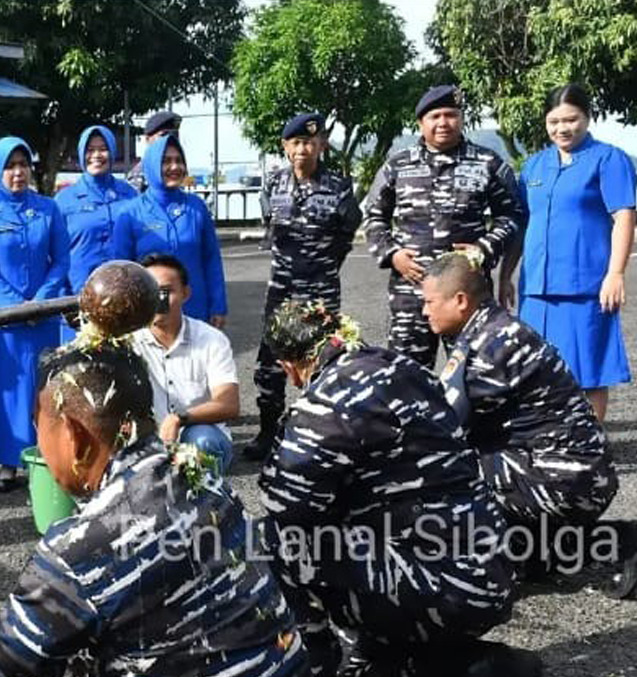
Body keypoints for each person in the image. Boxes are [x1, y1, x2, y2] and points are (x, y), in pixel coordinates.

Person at [0, 340, 330, 677]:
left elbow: (5, 670)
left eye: (38, 426)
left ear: (73, 435)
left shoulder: (84, 545)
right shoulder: (205, 483)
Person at [258, 300, 539, 677]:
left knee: (273, 544)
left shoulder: (326, 403)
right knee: (370, 675)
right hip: (489, 568)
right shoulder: (403, 367)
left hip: (435, 580)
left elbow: (286, 507)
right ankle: (489, 669)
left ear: (291, 366)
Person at [422, 252, 618, 575]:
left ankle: (482, 571)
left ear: (460, 300)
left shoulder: (490, 347)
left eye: (430, 302)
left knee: (443, 468)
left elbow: (442, 430)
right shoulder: (488, 327)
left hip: (568, 480)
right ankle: (540, 551)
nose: (424, 311)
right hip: (567, 471)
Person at [502, 83, 636, 421]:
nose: (562, 128)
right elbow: (521, 225)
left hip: (586, 288)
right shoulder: (533, 167)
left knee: (588, 373)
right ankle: (549, 443)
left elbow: (624, 216)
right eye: (554, 121)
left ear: (588, 118)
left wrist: (615, 273)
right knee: (535, 371)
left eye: (571, 119)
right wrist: (506, 275)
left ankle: (588, 446)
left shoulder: (609, 159)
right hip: (536, 290)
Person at [364, 85, 522, 370]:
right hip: (412, 292)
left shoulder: (487, 162)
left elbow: (511, 215)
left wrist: (483, 249)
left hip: (467, 289)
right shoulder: (397, 166)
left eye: (451, 115)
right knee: (407, 375)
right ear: (420, 123)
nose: (443, 123)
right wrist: (392, 254)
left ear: (461, 119)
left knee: (476, 372)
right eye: (435, 116)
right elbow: (373, 217)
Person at [243, 112, 362, 461]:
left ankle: (320, 432)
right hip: (280, 290)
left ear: (321, 145)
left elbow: (345, 237)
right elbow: (270, 228)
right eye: (296, 142)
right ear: (285, 146)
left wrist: (322, 268)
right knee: (270, 363)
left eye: (310, 142)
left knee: (324, 361)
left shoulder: (339, 187)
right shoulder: (273, 183)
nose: (302, 149)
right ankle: (268, 431)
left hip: (320, 290)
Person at [0, 136, 69, 492]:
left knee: (45, 389)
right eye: (9, 166)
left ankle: (46, 453)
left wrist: (41, 301)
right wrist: (15, 305)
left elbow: (61, 261)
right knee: (6, 392)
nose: (17, 172)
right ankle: (8, 461)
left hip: (44, 319)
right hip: (3, 324)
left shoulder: (48, 209)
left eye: (23, 164)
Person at [131, 253, 239, 474]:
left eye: (166, 292)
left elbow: (229, 404)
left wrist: (178, 419)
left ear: (185, 294)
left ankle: (203, 500)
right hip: (149, 441)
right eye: (149, 292)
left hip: (197, 434)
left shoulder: (211, 339)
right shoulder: (128, 341)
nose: (157, 300)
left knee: (202, 442)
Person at [112, 134, 228, 328]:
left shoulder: (196, 207)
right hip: (149, 312)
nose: (174, 167)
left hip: (195, 307)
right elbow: (122, 271)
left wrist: (218, 305)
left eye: (179, 161)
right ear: (151, 165)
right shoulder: (130, 213)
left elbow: (211, 259)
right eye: (166, 161)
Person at [55, 125, 137, 295]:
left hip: (124, 295)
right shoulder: (64, 200)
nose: (96, 156)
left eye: (103, 149)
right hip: (79, 296)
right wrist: (62, 298)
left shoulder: (130, 195)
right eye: (90, 150)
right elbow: (54, 255)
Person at [125, 109, 181, 192]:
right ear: (148, 139)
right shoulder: (140, 174)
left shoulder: (176, 170)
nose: (169, 140)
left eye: (174, 135)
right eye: (163, 135)